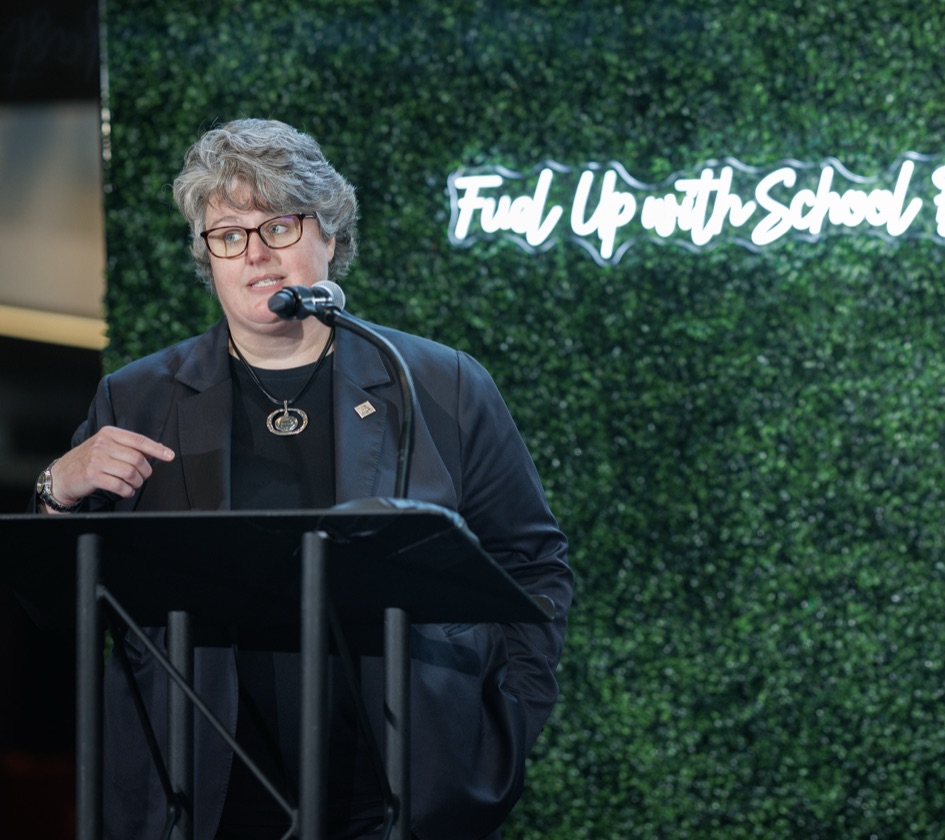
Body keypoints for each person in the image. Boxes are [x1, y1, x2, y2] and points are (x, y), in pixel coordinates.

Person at [30, 118, 572, 840]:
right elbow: (64, 609)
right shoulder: (137, 397)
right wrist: (54, 493)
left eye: (279, 227)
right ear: (208, 256)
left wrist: (502, 731)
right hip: (194, 792)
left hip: (400, 794)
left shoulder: (439, 383)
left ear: (330, 234)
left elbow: (531, 566)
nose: (256, 255)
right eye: (229, 235)